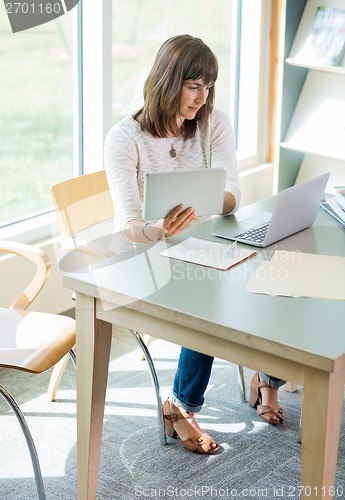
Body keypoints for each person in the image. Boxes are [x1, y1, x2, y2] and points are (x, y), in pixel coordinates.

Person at [104, 34, 285, 456]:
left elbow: (233, 194)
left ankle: (267, 379)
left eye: (209, 87)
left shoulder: (213, 122)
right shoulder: (124, 138)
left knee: (277, 274)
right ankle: (180, 406)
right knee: (211, 296)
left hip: (204, 242)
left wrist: (208, 199)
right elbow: (130, 226)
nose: (202, 98)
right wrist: (160, 229)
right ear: (169, 81)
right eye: (193, 86)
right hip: (146, 255)